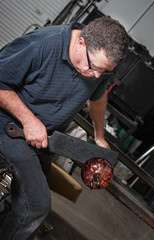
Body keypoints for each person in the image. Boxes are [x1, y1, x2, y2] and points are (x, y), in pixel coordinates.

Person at [0, 16, 128, 239]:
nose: (97, 76)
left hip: (43, 139)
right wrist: (29, 120)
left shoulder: (96, 64)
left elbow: (97, 98)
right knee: (37, 204)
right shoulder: (41, 44)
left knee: (37, 181)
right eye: (95, 68)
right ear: (81, 42)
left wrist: (98, 135)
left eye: (105, 72)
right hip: (9, 126)